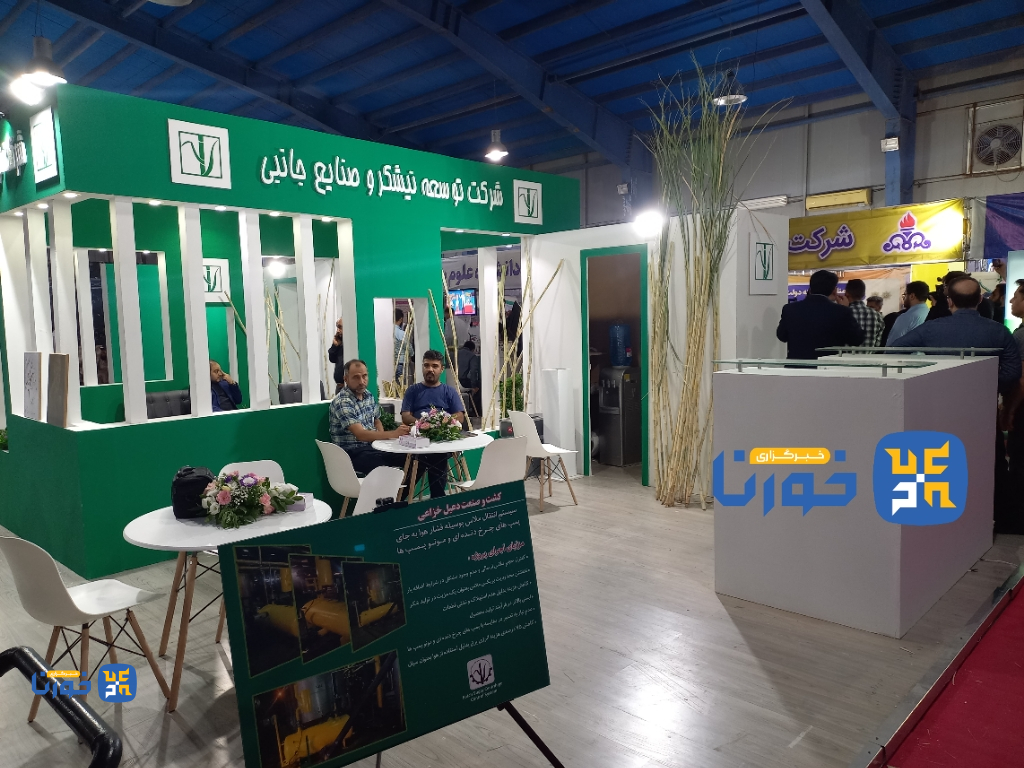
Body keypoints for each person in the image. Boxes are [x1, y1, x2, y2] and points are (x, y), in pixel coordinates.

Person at [891, 276, 1022, 395]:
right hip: (983, 400)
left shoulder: (930, 328)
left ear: (950, 302)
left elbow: (893, 350)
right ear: (980, 299)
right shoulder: (1000, 331)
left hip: (938, 396)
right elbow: (1013, 372)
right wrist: (987, 385)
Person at [401, 350, 466, 498]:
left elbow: (460, 416)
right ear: (422, 367)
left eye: (435, 366)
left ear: (441, 369)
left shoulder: (449, 391)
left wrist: (441, 422)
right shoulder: (413, 391)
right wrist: (423, 423)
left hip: (442, 439)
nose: (430, 369)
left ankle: (407, 498)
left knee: (436, 454)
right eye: (427, 365)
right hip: (419, 438)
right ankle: (437, 498)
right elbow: (405, 416)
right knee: (427, 455)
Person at [329, 359, 411, 476]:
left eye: (364, 376)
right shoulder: (343, 402)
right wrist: (394, 434)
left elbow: (377, 421)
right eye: (356, 377)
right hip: (351, 453)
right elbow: (360, 435)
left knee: (413, 458)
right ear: (346, 379)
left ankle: (401, 488)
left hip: (371, 448)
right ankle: (394, 488)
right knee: (383, 468)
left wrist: (382, 442)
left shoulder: (368, 395)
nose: (361, 381)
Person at [776, 270, 864, 360]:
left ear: (811, 288)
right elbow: (857, 340)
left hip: (795, 366)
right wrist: (845, 309)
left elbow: (782, 336)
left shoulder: (790, 309)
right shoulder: (841, 311)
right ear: (834, 290)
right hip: (827, 366)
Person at [886, 281, 930, 346]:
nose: (903, 298)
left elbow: (892, 345)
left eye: (905, 294)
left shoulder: (907, 317)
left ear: (912, 296)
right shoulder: (930, 314)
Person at [845, 279, 883, 347]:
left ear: (847, 293)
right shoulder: (877, 316)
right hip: (869, 354)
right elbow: (878, 344)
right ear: (863, 295)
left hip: (843, 354)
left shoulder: (843, 313)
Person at [457, 340, 482, 417]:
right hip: (463, 382)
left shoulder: (455, 353)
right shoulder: (472, 356)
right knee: (481, 386)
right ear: (472, 349)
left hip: (452, 381)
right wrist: (474, 386)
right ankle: (474, 410)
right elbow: (473, 371)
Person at [327, 317, 344, 394]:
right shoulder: (340, 342)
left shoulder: (351, 345)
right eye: (337, 327)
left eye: (340, 327)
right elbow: (332, 359)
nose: (337, 331)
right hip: (339, 387)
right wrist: (335, 346)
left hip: (348, 388)